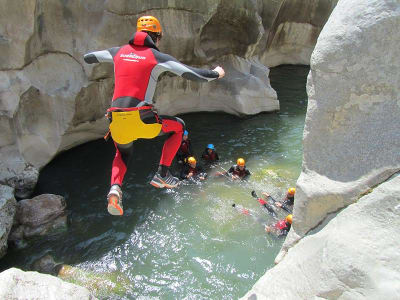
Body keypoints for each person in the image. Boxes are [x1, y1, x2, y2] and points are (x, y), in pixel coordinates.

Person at [84, 16, 225, 215]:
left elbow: (89, 57)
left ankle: (115, 188)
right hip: (141, 119)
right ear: (156, 37)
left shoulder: (117, 52)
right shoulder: (156, 56)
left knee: (122, 153)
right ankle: (162, 174)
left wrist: (116, 57)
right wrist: (216, 73)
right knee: (179, 127)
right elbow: (192, 74)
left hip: (115, 121)